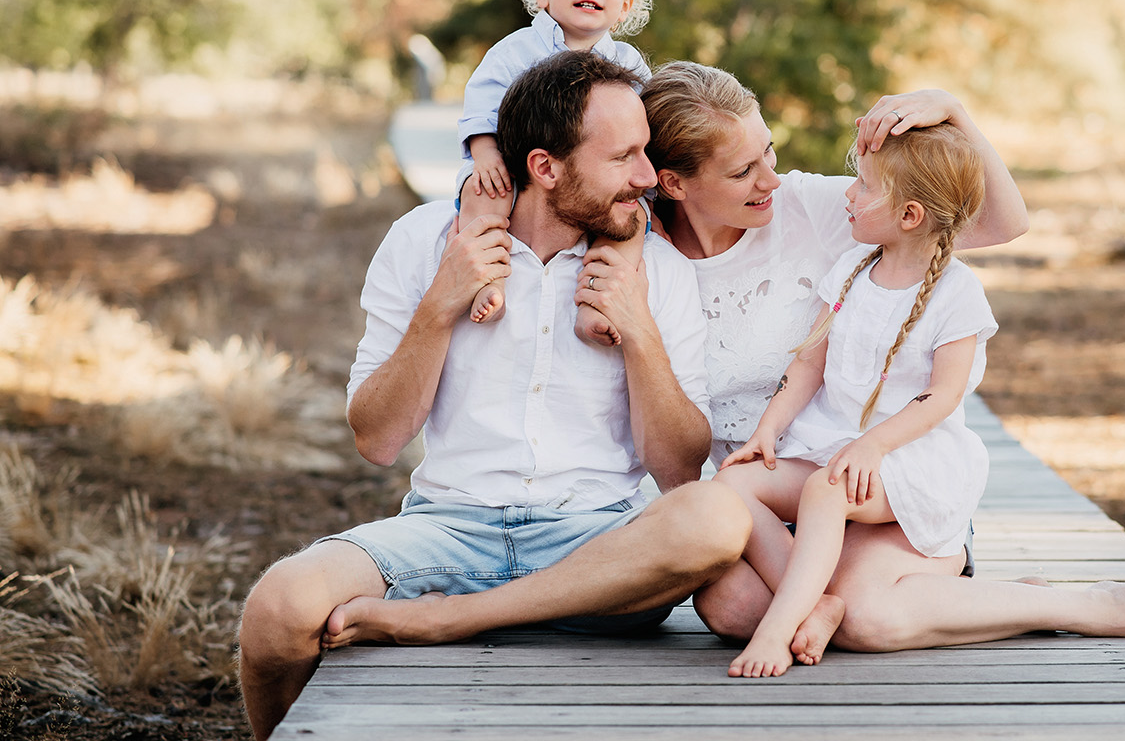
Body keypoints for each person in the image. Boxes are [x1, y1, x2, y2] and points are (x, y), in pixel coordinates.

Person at [236, 52, 751, 741]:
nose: (644, 177)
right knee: (277, 611)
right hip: (449, 532)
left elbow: (679, 471)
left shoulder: (655, 266)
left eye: (645, 154)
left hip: (598, 548)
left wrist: (639, 333)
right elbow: (377, 439)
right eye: (623, 156)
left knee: (715, 517)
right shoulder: (425, 240)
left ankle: (457, 617)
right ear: (545, 168)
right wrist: (441, 304)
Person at [640, 62, 1125, 659]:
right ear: (674, 184)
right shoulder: (646, 262)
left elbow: (996, 223)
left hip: (882, 481)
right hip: (780, 500)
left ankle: (1092, 606)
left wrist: (954, 114)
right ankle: (847, 601)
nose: (772, 178)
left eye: (769, 151)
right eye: (743, 171)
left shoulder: (813, 209)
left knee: (868, 622)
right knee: (728, 606)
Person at [714, 123, 997, 676]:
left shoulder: (956, 293)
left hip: (909, 457)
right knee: (733, 483)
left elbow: (942, 396)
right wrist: (767, 430)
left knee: (826, 490)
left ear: (910, 215)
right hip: (837, 446)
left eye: (863, 187)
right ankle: (815, 604)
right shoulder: (850, 272)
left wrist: (872, 446)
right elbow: (808, 364)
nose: (848, 193)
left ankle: (776, 630)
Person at [456, 0, 653, 346]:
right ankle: (486, 279)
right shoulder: (516, 49)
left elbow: (642, 127)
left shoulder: (630, 62)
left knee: (631, 221)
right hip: (515, 167)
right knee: (483, 193)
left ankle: (596, 302)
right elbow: (482, 103)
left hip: (593, 180)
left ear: (625, 6)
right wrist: (486, 156)